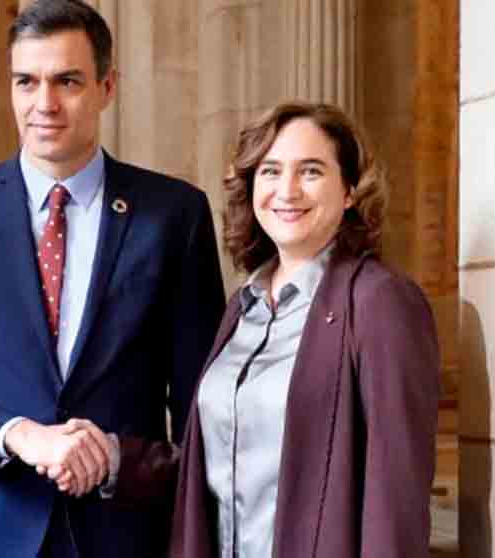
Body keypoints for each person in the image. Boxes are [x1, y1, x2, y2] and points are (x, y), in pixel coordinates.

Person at [0, 1, 225, 557]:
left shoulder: (175, 215)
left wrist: (120, 458)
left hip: (122, 533)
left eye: (67, 81)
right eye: (26, 81)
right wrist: (19, 433)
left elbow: (200, 407)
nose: (44, 104)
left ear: (107, 86)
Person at [169, 101, 440, 558]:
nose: (287, 190)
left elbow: (397, 497)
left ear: (351, 189)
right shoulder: (242, 306)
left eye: (311, 171)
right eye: (270, 171)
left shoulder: (379, 301)